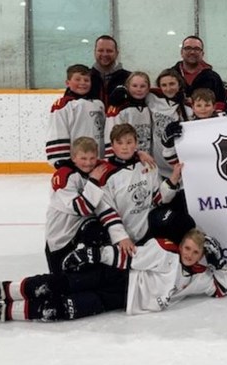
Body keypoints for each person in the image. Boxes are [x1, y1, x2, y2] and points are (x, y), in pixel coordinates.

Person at [0, 228, 227, 325]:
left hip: (120, 301)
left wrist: (219, 261)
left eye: (196, 252)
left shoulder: (198, 276)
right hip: (118, 277)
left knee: (66, 309)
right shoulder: (166, 253)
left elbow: (222, 286)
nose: (190, 254)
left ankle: (3, 313)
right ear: (181, 244)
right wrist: (95, 254)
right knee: (58, 284)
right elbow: (129, 256)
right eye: (187, 248)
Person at [94, 123, 194, 257]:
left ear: (136, 144)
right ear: (112, 145)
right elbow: (106, 211)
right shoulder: (104, 173)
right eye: (119, 143)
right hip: (122, 233)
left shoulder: (147, 163)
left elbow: (159, 199)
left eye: (129, 142)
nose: (124, 147)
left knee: (182, 221)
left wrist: (174, 178)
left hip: (149, 227)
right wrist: (120, 237)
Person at [44, 136, 107, 273]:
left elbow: (119, 164)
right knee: (59, 281)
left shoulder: (98, 166)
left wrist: (140, 155)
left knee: (97, 233)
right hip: (61, 234)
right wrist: (94, 181)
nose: (88, 163)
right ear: (73, 158)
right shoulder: (64, 177)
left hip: (82, 229)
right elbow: (82, 208)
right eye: (83, 159)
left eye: (92, 158)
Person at [45, 64, 105, 168]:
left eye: (86, 80)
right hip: (76, 162)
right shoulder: (63, 105)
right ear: (67, 83)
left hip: (97, 161)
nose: (82, 83)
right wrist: (60, 160)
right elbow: (57, 132)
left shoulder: (99, 104)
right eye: (77, 79)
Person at [146, 69, 191, 178]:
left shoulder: (188, 107)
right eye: (164, 85)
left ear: (179, 84)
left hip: (178, 164)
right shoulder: (152, 98)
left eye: (172, 84)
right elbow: (137, 89)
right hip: (157, 164)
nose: (168, 88)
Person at [103, 71, 153, 158]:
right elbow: (110, 134)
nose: (138, 89)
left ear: (148, 88)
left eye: (143, 86)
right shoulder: (118, 107)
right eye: (134, 86)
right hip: (124, 158)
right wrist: (111, 158)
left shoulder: (148, 106)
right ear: (127, 87)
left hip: (145, 157)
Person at [172, 35, 227, 113]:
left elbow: (221, 103)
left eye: (197, 49)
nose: (192, 52)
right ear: (181, 52)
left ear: (202, 53)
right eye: (188, 48)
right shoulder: (170, 75)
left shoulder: (213, 78)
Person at [89, 35, 131, 106]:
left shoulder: (130, 78)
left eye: (109, 51)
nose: (105, 54)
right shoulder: (85, 78)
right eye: (100, 50)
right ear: (94, 52)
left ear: (117, 53)